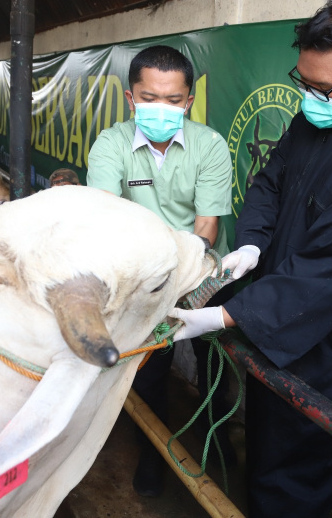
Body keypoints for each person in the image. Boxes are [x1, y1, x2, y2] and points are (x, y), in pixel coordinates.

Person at [169, 0, 332, 517]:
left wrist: (221, 315)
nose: (309, 98)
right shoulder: (317, 120)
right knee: (264, 459)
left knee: (290, 487)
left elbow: (330, 269)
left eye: (321, 89)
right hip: (279, 329)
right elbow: (269, 182)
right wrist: (252, 243)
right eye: (302, 83)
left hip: (330, 356)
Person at [85, 45, 234, 497]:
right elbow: (108, 218)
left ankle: (218, 452)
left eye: (173, 100)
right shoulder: (111, 145)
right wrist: (153, 281)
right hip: (141, 274)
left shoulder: (209, 146)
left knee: (216, 365)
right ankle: (152, 456)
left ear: (189, 101)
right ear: (131, 99)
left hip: (203, 269)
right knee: (148, 371)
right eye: (149, 98)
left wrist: (182, 276)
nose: (162, 109)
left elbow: (206, 228)